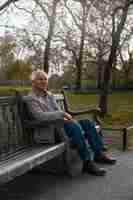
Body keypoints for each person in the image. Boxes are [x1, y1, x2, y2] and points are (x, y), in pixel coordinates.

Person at [26, 70, 116, 176]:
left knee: (87, 123)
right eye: (40, 79)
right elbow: (40, 116)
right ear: (33, 82)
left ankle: (98, 154)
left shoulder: (49, 95)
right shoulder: (30, 98)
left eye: (45, 79)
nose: (44, 81)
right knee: (74, 127)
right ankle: (87, 162)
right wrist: (62, 114)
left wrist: (64, 117)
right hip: (49, 131)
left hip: (62, 125)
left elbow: (58, 111)